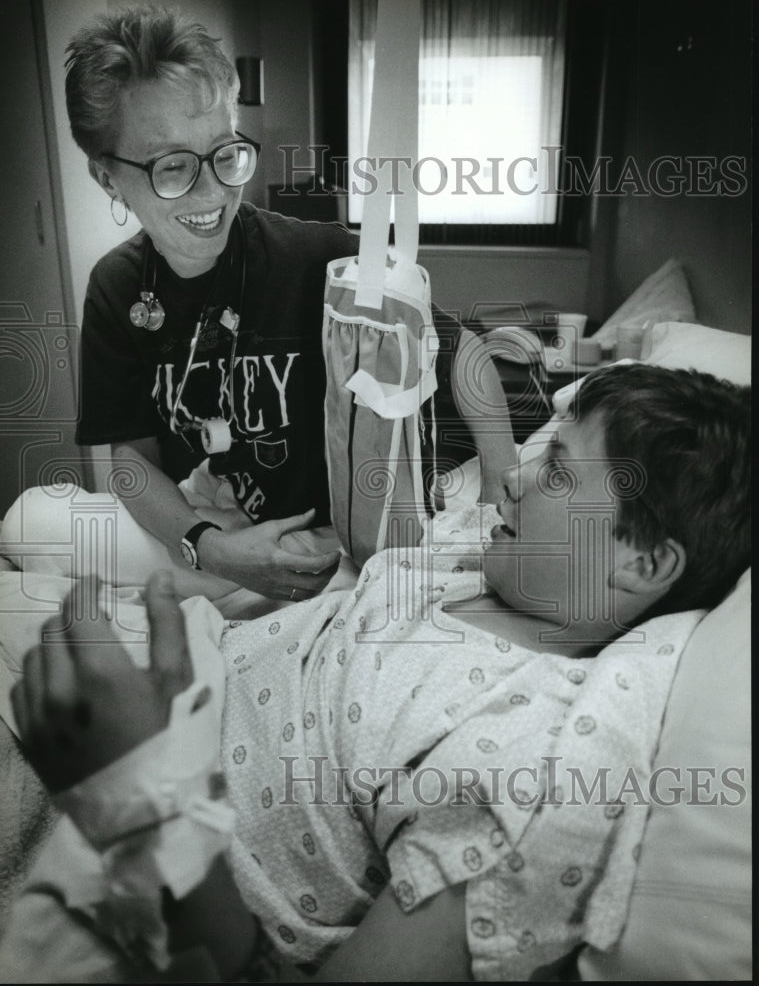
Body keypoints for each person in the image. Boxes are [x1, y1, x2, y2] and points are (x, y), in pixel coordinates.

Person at [0, 364, 750, 982]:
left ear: (640, 561)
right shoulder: (485, 571)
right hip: (152, 681)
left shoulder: (521, 761)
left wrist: (143, 797)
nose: (514, 477)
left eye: (556, 471)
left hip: (128, 840)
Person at [0, 5, 498, 607]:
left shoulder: (316, 257)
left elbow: (463, 349)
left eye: (224, 152)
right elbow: (129, 458)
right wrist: (205, 545)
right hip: (220, 523)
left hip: (333, 538)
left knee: (341, 587)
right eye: (173, 166)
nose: (212, 191)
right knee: (31, 517)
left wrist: (502, 485)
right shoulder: (117, 288)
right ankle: (239, 585)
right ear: (108, 178)